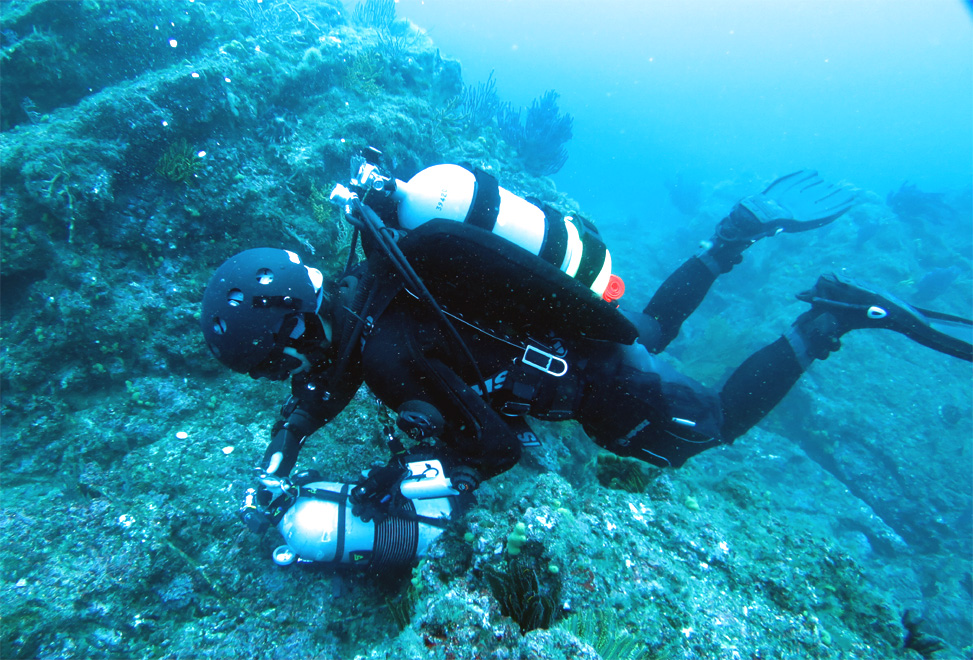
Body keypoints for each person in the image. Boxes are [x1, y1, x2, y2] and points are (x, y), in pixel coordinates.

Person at [201, 149, 972, 570]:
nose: (285, 377)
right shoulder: (369, 283)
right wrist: (282, 450)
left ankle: (833, 321)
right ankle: (729, 236)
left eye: (274, 362)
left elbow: (495, 444)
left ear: (297, 327)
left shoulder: (389, 352)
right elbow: (321, 388)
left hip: (588, 379)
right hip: (570, 320)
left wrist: (428, 472)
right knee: (643, 325)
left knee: (699, 428)